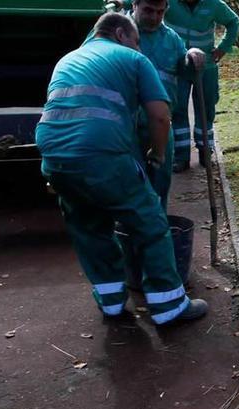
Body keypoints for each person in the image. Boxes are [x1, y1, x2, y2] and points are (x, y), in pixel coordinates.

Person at [37, 12, 207, 325]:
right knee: (151, 223)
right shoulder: (132, 59)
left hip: (55, 157)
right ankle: (169, 306)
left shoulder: (67, 59)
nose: (139, 48)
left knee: (90, 228)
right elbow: (160, 116)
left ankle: (112, 304)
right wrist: (156, 156)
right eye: (136, 41)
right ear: (120, 34)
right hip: (101, 155)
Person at [129, 0, 207, 210]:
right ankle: (130, 239)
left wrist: (192, 54)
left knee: (160, 188)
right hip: (126, 129)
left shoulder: (171, 39)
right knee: (131, 189)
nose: (154, 17)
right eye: (148, 10)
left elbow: (185, 69)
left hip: (162, 127)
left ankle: (157, 234)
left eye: (160, 12)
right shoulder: (117, 32)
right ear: (134, 5)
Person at [164, 0, 239, 172]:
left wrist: (223, 48)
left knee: (206, 108)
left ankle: (205, 150)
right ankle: (181, 156)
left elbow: (233, 22)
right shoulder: (171, 2)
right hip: (178, 65)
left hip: (206, 67)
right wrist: (121, 3)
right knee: (178, 109)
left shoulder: (213, 4)